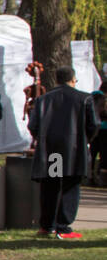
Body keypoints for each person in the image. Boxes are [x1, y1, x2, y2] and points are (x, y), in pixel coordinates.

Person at [27, 64, 99, 239]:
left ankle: (47, 225)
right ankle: (63, 226)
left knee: (51, 185)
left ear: (57, 80)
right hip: (74, 150)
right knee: (70, 185)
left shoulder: (44, 100)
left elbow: (33, 125)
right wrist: (85, 140)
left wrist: (44, 139)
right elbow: (93, 125)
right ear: (73, 80)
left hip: (53, 151)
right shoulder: (84, 98)